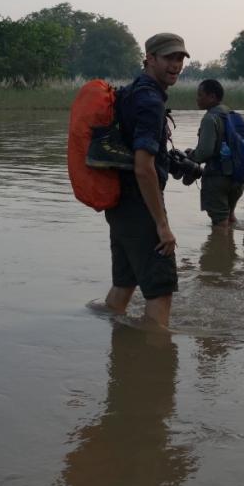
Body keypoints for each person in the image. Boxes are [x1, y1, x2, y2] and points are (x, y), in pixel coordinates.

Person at [99, 32, 189, 328]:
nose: (175, 65)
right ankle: (155, 365)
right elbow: (143, 167)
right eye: (168, 58)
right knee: (160, 292)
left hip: (119, 203)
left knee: (124, 286)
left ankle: (121, 357)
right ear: (149, 59)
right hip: (140, 204)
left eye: (180, 58)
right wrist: (162, 225)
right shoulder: (150, 101)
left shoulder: (131, 91)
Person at [183, 78, 244, 228]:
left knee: (220, 225)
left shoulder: (210, 118)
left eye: (200, 95)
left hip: (217, 179)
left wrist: (190, 156)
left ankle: (219, 250)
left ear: (212, 97)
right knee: (230, 218)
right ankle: (232, 250)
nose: (197, 99)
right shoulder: (231, 114)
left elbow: (205, 152)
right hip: (237, 179)